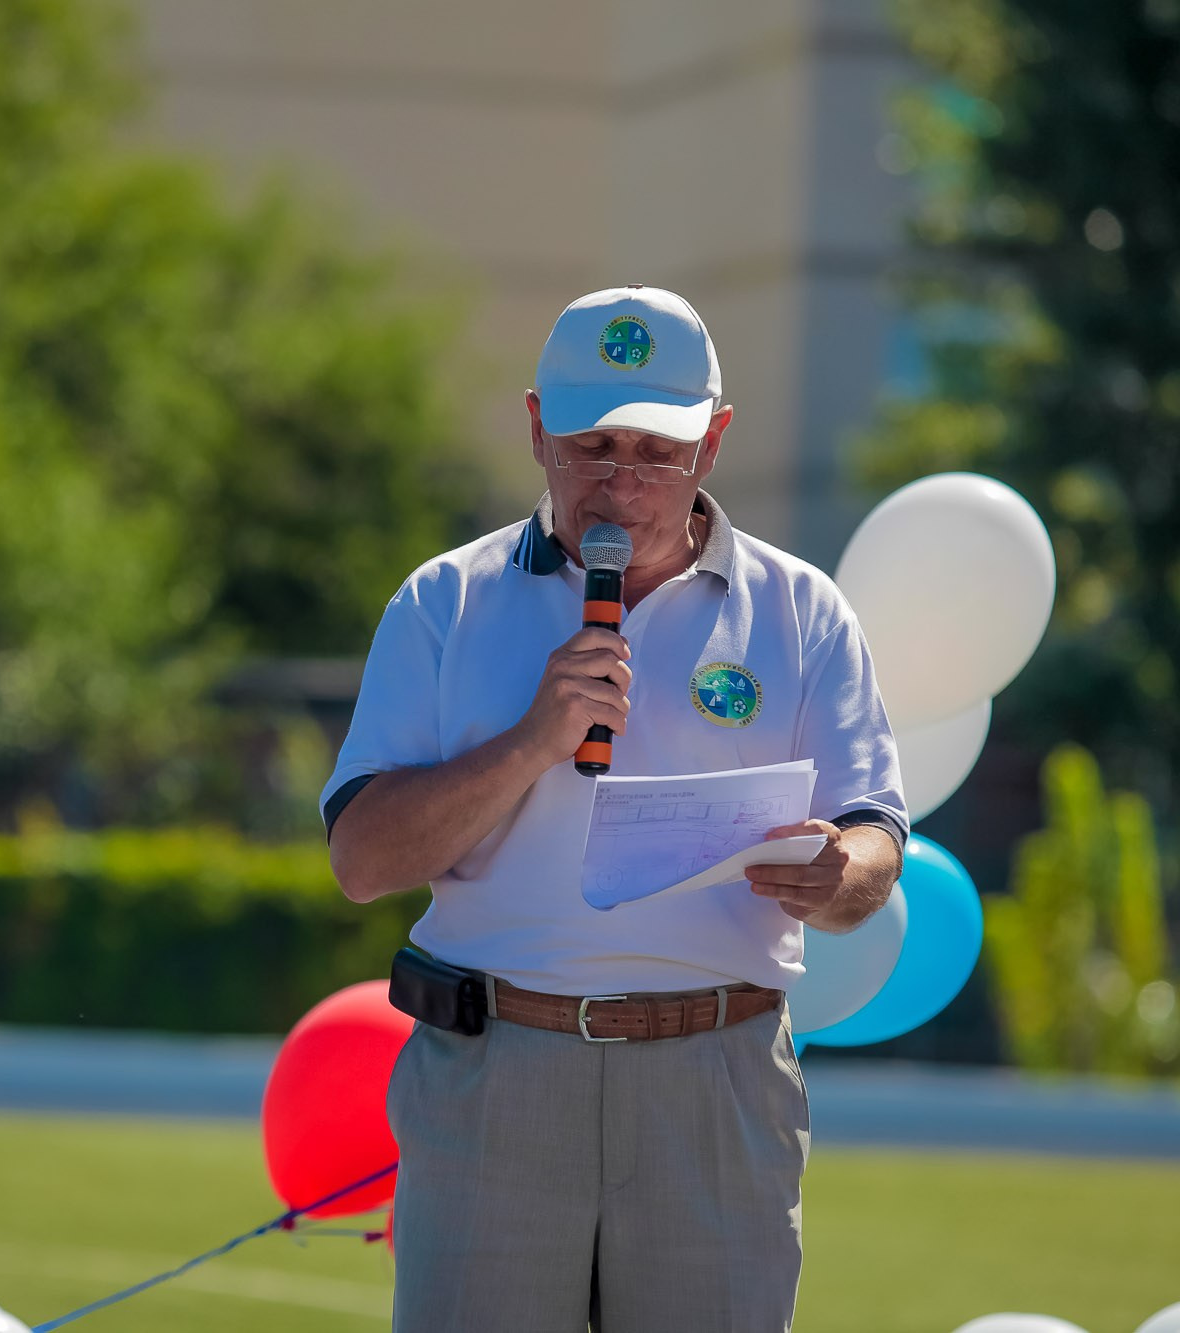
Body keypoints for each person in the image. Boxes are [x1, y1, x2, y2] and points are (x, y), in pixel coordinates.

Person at [320, 285, 907, 1332]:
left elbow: (874, 842)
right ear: (536, 429)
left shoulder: (801, 610)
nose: (621, 483)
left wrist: (838, 870)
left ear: (713, 442)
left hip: (715, 1081)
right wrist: (528, 742)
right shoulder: (443, 602)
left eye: (657, 451)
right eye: (591, 445)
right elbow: (361, 860)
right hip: (496, 1074)